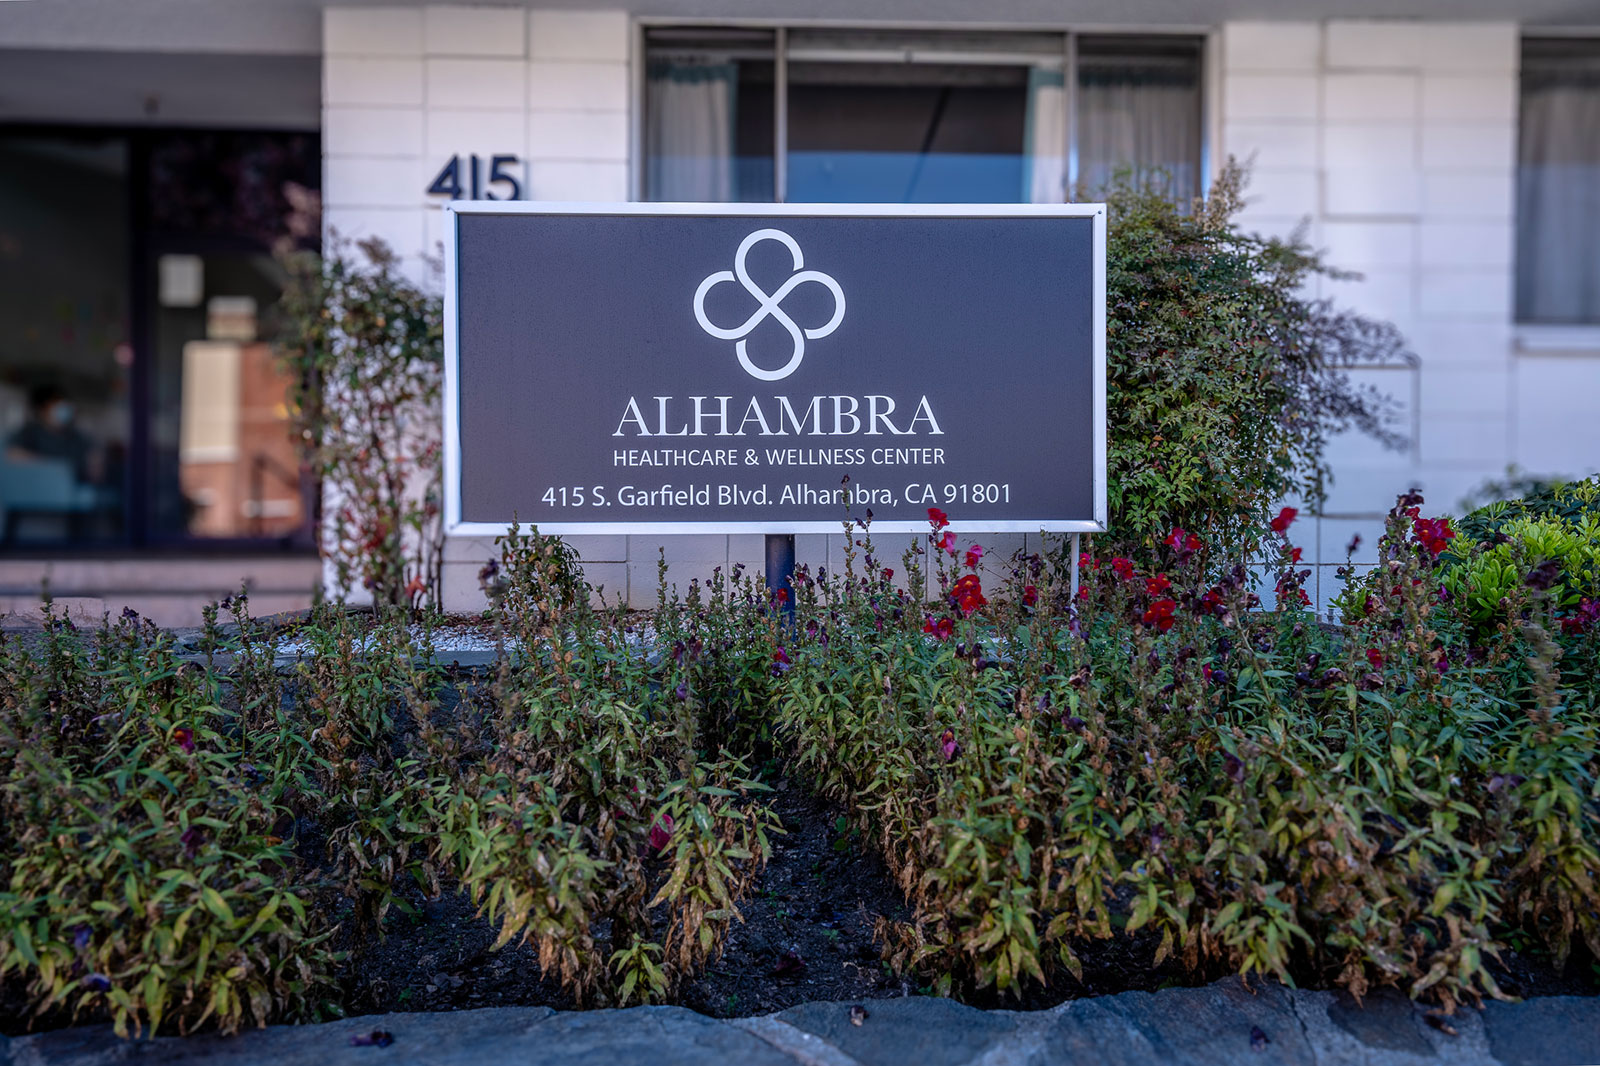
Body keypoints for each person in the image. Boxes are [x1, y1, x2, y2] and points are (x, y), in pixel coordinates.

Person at [6, 383, 99, 483]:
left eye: (63, 403)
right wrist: (54, 469)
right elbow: (13, 455)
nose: (62, 408)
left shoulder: (77, 437)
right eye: (55, 404)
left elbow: (95, 466)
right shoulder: (28, 433)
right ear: (41, 409)